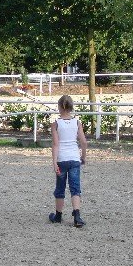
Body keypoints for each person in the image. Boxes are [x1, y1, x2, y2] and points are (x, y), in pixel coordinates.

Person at [48, 94, 88, 228]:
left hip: (62, 158)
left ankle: (58, 215)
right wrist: (83, 156)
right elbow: (83, 142)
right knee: (75, 187)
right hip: (74, 158)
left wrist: (54, 162)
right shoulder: (77, 123)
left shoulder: (55, 124)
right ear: (71, 107)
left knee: (60, 187)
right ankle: (77, 215)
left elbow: (55, 144)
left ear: (59, 107)